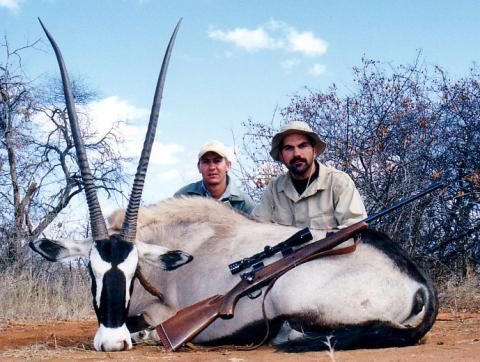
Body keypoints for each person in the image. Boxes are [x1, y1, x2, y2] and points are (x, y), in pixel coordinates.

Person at [252, 121, 367, 229]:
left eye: (303, 146)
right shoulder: (274, 189)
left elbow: (355, 228)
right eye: (289, 148)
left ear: (314, 150)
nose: (297, 154)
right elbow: (255, 229)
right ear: (281, 156)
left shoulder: (339, 182)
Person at [174, 140, 255, 214]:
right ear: (199, 167)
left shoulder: (244, 204)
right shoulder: (183, 197)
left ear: (228, 165)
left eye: (217, 161)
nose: (212, 167)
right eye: (206, 161)